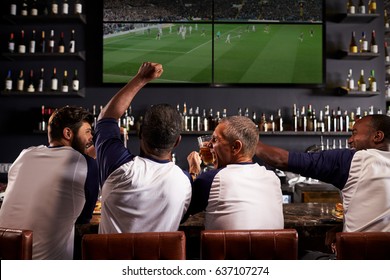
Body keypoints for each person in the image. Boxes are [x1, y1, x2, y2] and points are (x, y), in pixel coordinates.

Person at [94, 62, 192, 234]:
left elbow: (106, 118)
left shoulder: (118, 167)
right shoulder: (185, 182)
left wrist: (141, 78)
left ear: (140, 134)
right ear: (177, 141)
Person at [256, 114, 390, 232]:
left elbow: (281, 160)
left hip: (359, 255)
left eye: (354, 133)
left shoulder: (355, 160)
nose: (350, 140)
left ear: (377, 136)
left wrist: (249, 140)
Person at [0, 106, 99, 259]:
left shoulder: (25, 155)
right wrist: (91, 161)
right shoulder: (85, 164)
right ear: (68, 133)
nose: (91, 137)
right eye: (87, 131)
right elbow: (83, 220)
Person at [185, 116, 284, 230]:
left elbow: (183, 211)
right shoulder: (273, 178)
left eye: (215, 140)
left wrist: (193, 169)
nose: (208, 144)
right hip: (272, 247)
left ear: (236, 147)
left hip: (225, 248)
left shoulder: (212, 178)